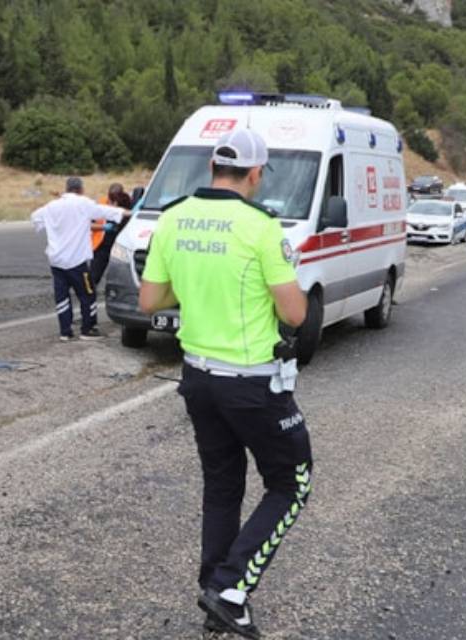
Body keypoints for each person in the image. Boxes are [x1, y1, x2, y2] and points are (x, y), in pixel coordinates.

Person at [138, 128, 310, 639]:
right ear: (255, 174)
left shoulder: (172, 219)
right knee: (291, 482)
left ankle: (214, 588)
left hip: (198, 377)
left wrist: (195, 291)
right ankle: (231, 589)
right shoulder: (260, 227)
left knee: (222, 484)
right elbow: (295, 313)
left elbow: (149, 303)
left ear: (213, 168)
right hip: (253, 382)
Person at [30, 177, 131, 342]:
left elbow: (35, 218)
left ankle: (65, 332)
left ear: (67, 188)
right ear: (80, 189)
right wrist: (131, 212)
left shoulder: (52, 206)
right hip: (76, 261)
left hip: (56, 261)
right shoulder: (83, 203)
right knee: (88, 294)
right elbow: (107, 211)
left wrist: (55, 225)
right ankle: (88, 329)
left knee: (62, 296)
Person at [90, 183, 134, 285]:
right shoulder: (100, 205)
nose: (113, 204)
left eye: (115, 201)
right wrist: (103, 227)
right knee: (94, 275)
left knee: (123, 275)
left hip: (121, 245)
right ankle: (89, 295)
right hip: (101, 245)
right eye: (111, 200)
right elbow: (88, 225)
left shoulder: (127, 203)